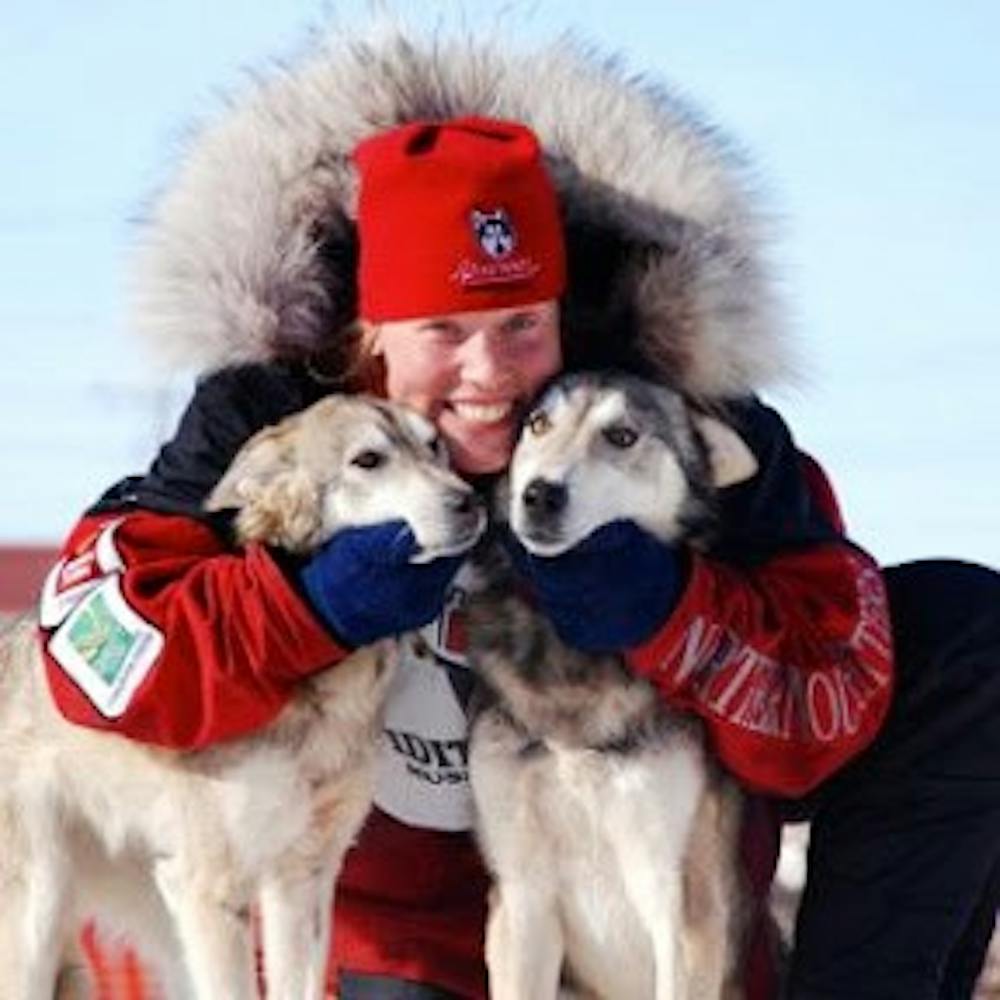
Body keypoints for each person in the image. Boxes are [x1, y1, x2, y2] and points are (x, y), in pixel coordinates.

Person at [36, 25, 1000, 1000]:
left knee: (965, 628)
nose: (490, 375)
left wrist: (673, 610)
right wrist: (301, 607)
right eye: (443, 332)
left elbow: (820, 715)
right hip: (395, 954)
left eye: (520, 325)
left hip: (656, 938)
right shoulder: (272, 416)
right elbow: (93, 654)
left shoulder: (668, 419)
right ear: (369, 330)